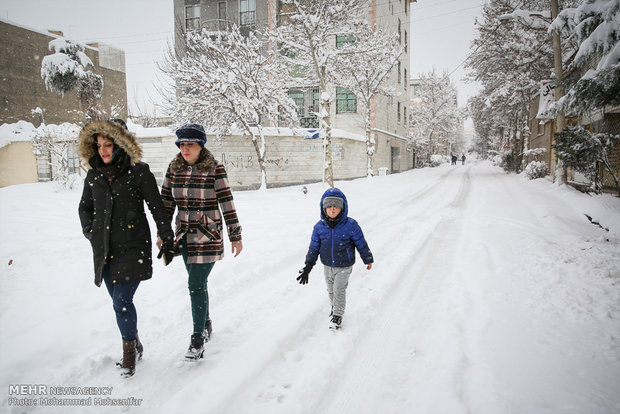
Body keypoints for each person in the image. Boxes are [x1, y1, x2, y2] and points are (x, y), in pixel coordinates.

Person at [78, 119, 175, 378]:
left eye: (108, 145)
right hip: (105, 250)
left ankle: (129, 355)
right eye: (99, 146)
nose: (103, 151)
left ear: (120, 145)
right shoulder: (94, 174)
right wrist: (91, 232)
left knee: (122, 301)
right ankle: (134, 340)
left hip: (133, 247)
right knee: (117, 301)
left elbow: (157, 208)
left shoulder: (139, 172)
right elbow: (84, 208)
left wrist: (166, 236)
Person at [158, 123, 243, 360]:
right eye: (182, 144)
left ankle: (197, 339)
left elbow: (226, 201)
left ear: (201, 146)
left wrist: (235, 235)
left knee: (195, 283)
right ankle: (206, 323)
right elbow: (166, 201)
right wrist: (162, 233)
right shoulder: (174, 167)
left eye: (190, 145)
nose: (185, 149)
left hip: (208, 235)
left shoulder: (215, 168)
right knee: (198, 284)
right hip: (183, 236)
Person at [296, 188, 373, 329]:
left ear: (342, 208)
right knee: (331, 290)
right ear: (323, 208)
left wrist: (367, 258)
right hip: (327, 266)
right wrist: (308, 266)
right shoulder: (319, 227)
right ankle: (334, 306)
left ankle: (337, 315)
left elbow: (361, 243)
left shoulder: (351, 225)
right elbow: (313, 248)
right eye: (329, 207)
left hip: (344, 265)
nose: (332, 210)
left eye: (336, 207)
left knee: (339, 290)